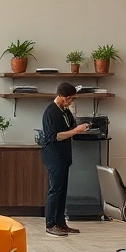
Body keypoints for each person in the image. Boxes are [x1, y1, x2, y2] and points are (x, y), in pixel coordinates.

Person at [40, 83, 88, 237]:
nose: (71, 101)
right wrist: (75, 130)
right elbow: (55, 136)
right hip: (54, 156)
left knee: (62, 190)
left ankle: (61, 222)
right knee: (55, 190)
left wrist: (77, 128)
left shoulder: (65, 111)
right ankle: (51, 223)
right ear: (62, 96)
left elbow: (70, 129)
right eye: (70, 99)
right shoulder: (51, 112)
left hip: (64, 156)